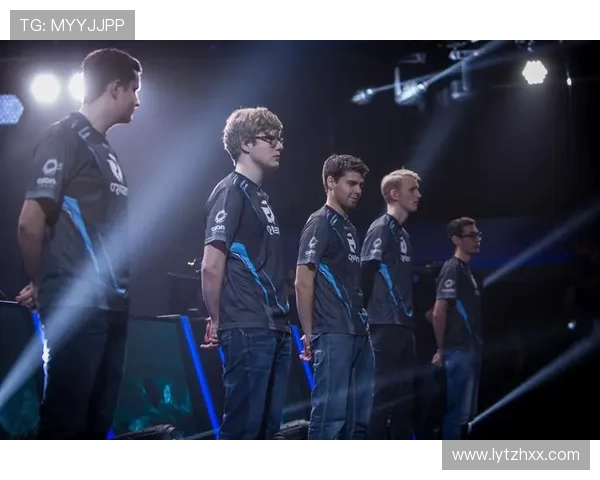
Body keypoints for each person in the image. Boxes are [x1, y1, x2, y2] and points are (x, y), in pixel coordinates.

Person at [16, 48, 142, 439]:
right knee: (64, 425)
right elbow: (29, 223)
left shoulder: (106, 149)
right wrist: (41, 282)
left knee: (96, 426)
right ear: (115, 88)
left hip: (113, 304)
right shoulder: (64, 136)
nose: (138, 100)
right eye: (134, 90)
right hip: (76, 304)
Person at [200, 107, 291, 440]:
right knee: (243, 432)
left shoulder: (260, 196)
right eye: (270, 139)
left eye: (280, 138)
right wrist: (216, 319)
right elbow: (211, 264)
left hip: (276, 326)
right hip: (248, 326)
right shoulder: (230, 191)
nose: (279, 145)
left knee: (268, 432)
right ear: (246, 144)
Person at [295, 154, 373, 440]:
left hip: (359, 333)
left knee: (358, 422)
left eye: (361, 185)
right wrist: (310, 334)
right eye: (351, 183)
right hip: (332, 333)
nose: (358, 190)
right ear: (331, 182)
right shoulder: (319, 222)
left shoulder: (348, 227)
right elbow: (303, 281)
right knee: (330, 420)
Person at [360, 168, 421, 439]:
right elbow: (366, 272)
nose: (418, 194)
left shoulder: (403, 235)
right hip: (383, 325)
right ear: (394, 194)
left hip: (405, 326)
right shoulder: (381, 228)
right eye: (413, 189)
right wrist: (361, 318)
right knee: (381, 398)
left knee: (404, 400)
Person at [431, 217, 483, 440]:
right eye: (471, 235)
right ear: (456, 240)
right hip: (459, 351)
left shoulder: (466, 271)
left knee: (465, 416)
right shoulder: (452, 268)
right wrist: (442, 350)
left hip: (470, 349)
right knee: (457, 415)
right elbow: (438, 312)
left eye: (478, 234)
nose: (477, 239)